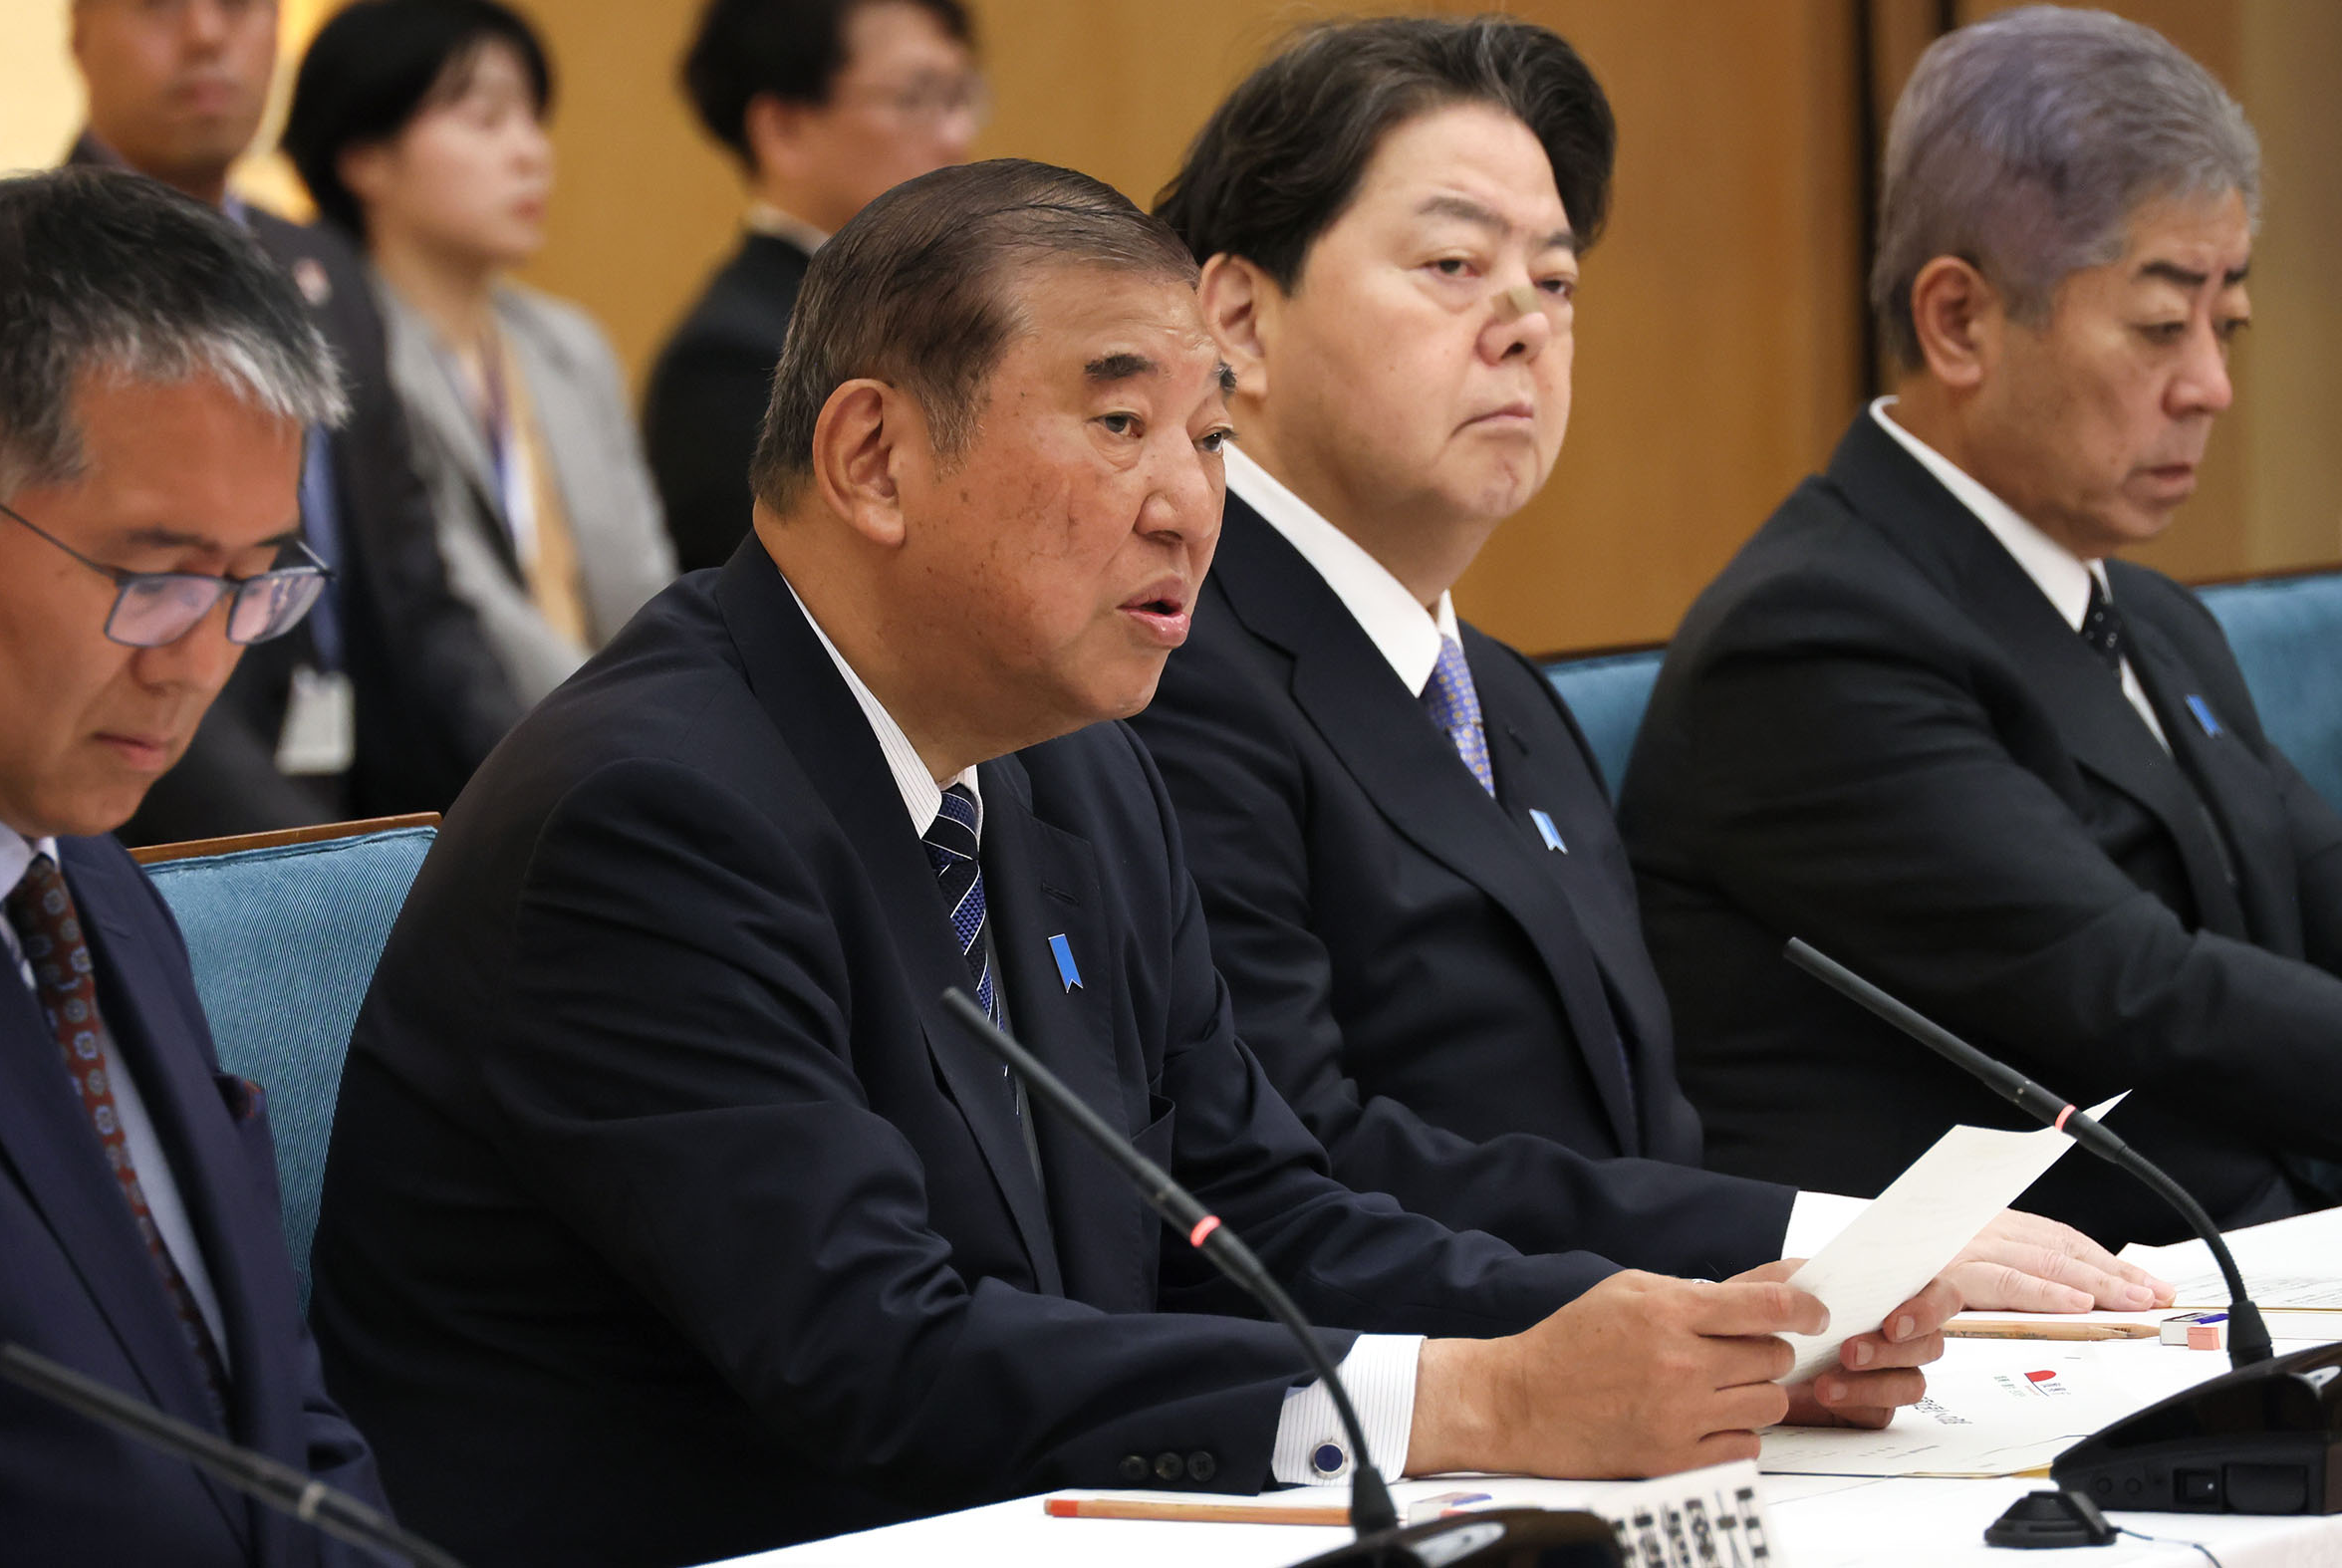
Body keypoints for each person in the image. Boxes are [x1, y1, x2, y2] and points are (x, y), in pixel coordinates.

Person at [309, 158, 1955, 1568]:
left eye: (1212, 433)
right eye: (1117, 422)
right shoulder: (649, 815)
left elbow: (1262, 1211)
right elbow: (879, 1356)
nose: (1191, 504)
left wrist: (1695, 1330)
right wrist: (1485, 1397)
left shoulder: (1077, 772)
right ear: (873, 456)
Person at [1135, 17, 2159, 1305]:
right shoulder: (1168, 671)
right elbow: (1295, 1169)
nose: (1523, 326)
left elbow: (1638, 1137)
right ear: (1239, 313)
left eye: (1555, 282)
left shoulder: (1507, 698)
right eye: (1454, 264)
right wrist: (1798, 1240)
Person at [1620, 6, 2342, 1247]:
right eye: (2160, 325)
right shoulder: (1813, 639)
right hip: (1995, 1356)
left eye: (2223, 328)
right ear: (1957, 320)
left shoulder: (2146, 613)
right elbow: (2131, 996)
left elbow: (2314, 891)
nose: (2209, 387)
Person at [0, 169, 382, 1563]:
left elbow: (277, 1411)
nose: (201, 660)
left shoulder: (76, 858)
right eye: (149, 576)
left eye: (257, 582)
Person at [65, 0, 520, 842]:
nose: (205, 34)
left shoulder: (320, 264)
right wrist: (318, 871)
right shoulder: (42, 273)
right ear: (78, 29)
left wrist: (544, 785)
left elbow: (412, 588)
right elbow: (93, 619)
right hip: (158, 828)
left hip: (362, 792)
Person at [283, 0, 675, 713]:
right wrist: (622, 728)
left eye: (533, 118)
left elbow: (644, 578)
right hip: (472, 748)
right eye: (486, 120)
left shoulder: (568, 345)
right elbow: (460, 601)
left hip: (623, 730)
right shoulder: (343, 354)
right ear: (365, 157)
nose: (531, 152)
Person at [645, 0, 982, 570]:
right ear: (784, 128)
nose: (956, 138)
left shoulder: (936, 309)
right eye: (917, 99)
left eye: (960, 98)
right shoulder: (733, 359)